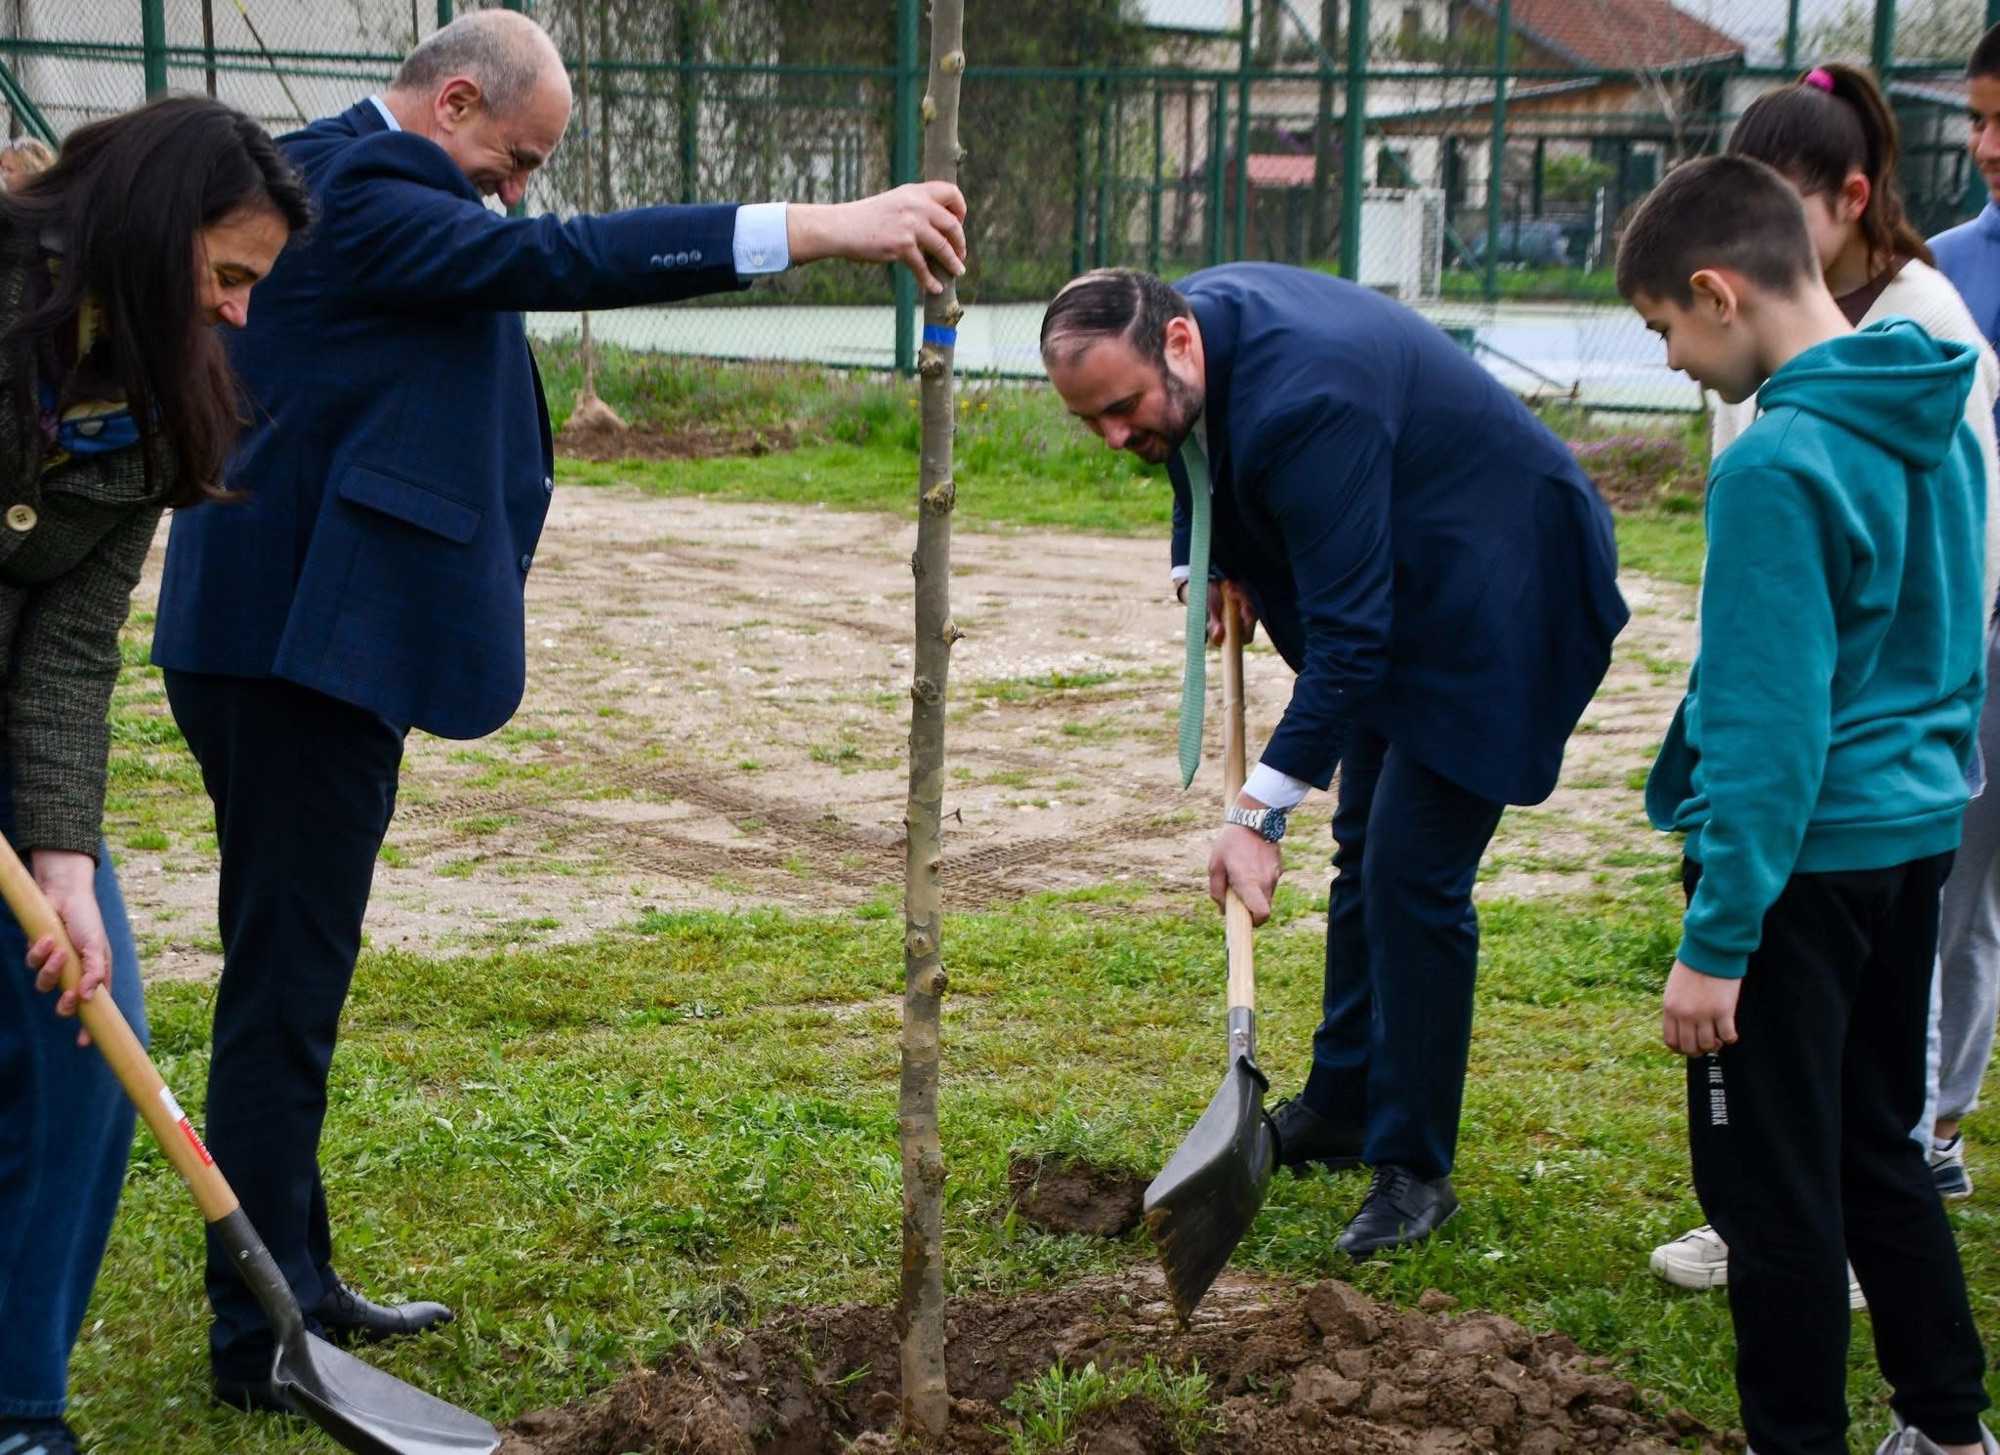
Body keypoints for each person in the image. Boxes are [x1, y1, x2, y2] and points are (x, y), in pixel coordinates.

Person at [145, 8, 969, 1411]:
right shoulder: (361, 188)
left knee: (288, 969)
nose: (516, 192)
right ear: (455, 101)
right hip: (296, 650)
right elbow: (556, 260)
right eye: (513, 159)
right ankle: (260, 1336)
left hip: (288, 636)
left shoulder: (335, 171)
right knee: (283, 985)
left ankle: (298, 1277)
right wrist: (821, 229)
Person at [1039, 264, 1628, 1256]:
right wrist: (1204, 560)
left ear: (1176, 344)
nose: (1111, 436)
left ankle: (1413, 1165)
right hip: (1402, 571)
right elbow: (1184, 443)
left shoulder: (1307, 398)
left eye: (1120, 408)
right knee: (1366, 843)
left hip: (1500, 588)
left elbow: (1351, 641)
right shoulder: (1178, 327)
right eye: (1088, 418)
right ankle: (1346, 1099)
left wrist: (1257, 816)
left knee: (1410, 870)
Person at [1620, 152, 1992, 1455]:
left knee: (1771, 1189)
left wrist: (1717, 939)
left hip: (1801, 867)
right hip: (1914, 836)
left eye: (1663, 329)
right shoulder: (1937, 407)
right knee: (1876, 1144)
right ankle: (1949, 1430)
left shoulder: (1775, 461)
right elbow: (1957, 633)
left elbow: (1768, 728)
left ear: (1717, 292)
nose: (1673, 362)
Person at [0, 97, 307, 1455]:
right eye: (227, 275)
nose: (240, 312)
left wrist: (62, 856)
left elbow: (72, 634)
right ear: (147, 226)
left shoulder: (159, 401)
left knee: (82, 1033)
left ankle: (19, 1409)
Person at [1927, 21, 2000, 1202]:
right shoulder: (1941, 275)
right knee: (1950, 888)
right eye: (1980, 119)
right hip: (1974, 629)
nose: (1987, 145)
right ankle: (1932, 1129)